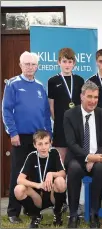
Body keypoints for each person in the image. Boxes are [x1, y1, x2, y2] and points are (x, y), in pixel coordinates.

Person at [2, 51, 52, 224]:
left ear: (37, 66)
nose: (30, 67)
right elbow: (6, 110)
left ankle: (32, 210)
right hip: (20, 137)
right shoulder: (12, 84)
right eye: (27, 64)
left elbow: (46, 113)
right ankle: (13, 212)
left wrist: (49, 135)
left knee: (35, 174)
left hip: (38, 138)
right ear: (20, 65)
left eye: (33, 64)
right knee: (18, 173)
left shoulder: (40, 86)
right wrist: (13, 132)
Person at [63, 81, 102, 228]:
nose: (93, 101)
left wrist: (96, 157)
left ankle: (94, 214)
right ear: (81, 96)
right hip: (77, 157)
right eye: (89, 96)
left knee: (100, 169)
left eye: (96, 97)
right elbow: (71, 143)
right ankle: (73, 215)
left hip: (97, 157)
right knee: (74, 169)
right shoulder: (70, 114)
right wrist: (88, 157)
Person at [14, 130, 67, 228]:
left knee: (60, 181)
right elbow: (19, 179)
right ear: (35, 145)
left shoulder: (54, 153)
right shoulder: (32, 156)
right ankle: (36, 216)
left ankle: (57, 214)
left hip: (51, 194)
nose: (43, 147)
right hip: (37, 196)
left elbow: (63, 173)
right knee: (18, 189)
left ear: (50, 143)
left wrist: (51, 174)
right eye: (40, 144)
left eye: (46, 143)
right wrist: (38, 185)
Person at [48, 48, 84, 162]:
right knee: (61, 159)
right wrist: (59, 121)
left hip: (77, 126)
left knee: (77, 157)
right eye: (64, 61)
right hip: (60, 126)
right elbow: (51, 107)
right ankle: (61, 180)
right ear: (59, 62)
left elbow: (83, 103)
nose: (67, 65)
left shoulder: (79, 80)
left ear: (74, 63)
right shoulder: (52, 81)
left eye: (70, 62)